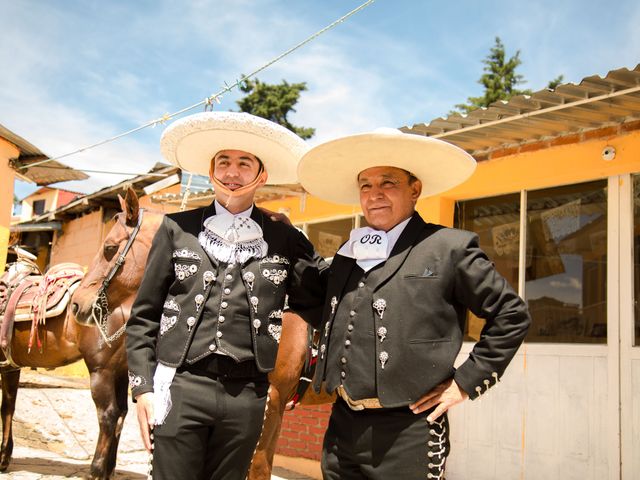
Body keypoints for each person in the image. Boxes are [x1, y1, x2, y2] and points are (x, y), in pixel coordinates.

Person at [297, 128, 531, 480]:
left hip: (410, 430)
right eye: (365, 185)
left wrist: (465, 382)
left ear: (415, 189)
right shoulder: (347, 256)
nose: (374, 194)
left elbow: (511, 314)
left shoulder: (449, 246)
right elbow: (315, 301)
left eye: (387, 183)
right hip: (343, 426)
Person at [125, 111, 326, 480]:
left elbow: (317, 298)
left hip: (247, 394)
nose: (232, 172)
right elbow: (144, 316)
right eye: (224, 162)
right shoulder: (176, 228)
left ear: (261, 175)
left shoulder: (285, 239)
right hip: (180, 385)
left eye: (244, 163)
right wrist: (142, 388)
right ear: (211, 170)